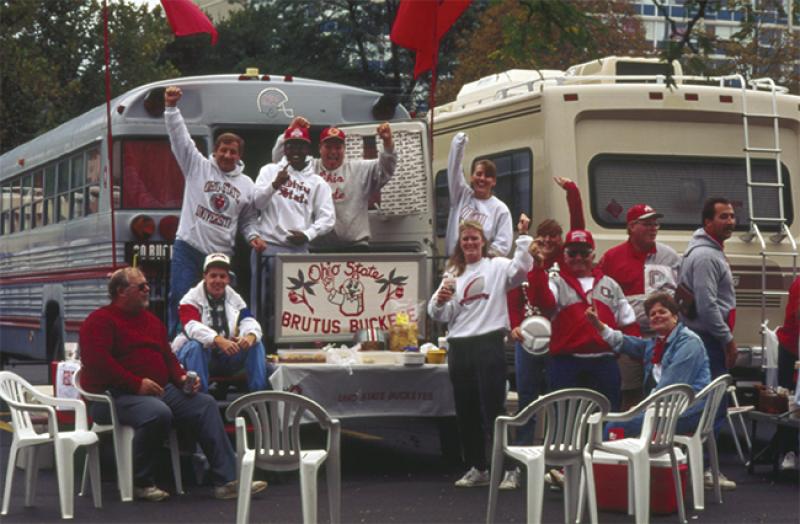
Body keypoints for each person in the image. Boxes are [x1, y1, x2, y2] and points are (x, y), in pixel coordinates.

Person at [79, 267, 266, 501]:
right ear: (121, 291)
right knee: (158, 412)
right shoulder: (99, 321)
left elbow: (168, 357)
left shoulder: (151, 321)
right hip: (112, 396)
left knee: (205, 404)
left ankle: (226, 480)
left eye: (147, 285)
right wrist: (136, 384)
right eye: (141, 287)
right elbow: (98, 364)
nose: (148, 290)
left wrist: (181, 378)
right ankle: (141, 482)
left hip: (157, 391)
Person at [428, 221, 533, 487]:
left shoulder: (496, 267)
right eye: (465, 240)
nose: (470, 243)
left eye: (474, 239)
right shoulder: (453, 271)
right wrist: (439, 300)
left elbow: (522, 271)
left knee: (494, 409)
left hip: (488, 343)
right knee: (466, 411)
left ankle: (511, 469)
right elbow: (443, 313)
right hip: (459, 347)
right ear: (460, 244)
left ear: (483, 242)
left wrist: (522, 237)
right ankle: (478, 467)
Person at [501, 177, 584, 490]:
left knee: (559, 402)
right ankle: (519, 466)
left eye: (554, 236)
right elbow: (511, 297)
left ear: (561, 240)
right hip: (527, 343)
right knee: (526, 402)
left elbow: (578, 224)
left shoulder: (565, 262)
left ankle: (556, 467)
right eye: (544, 236)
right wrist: (513, 326)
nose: (548, 241)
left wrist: (573, 194)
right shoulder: (524, 263)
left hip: (560, 343)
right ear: (537, 238)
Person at [164, 86, 257, 339]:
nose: (227, 155)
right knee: (181, 299)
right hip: (189, 247)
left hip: (220, 256)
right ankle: (178, 351)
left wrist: (252, 238)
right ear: (215, 151)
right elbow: (180, 140)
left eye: (233, 151)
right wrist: (171, 108)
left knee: (221, 307)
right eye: (223, 150)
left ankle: (220, 349)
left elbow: (247, 221)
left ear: (239, 155)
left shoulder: (247, 184)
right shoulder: (197, 166)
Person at [246, 125, 335, 335]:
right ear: (284, 148)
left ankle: (290, 347)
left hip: (297, 252)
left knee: (296, 307)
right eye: (291, 145)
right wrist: (274, 185)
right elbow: (256, 203)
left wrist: (308, 234)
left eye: (300, 146)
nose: (295, 150)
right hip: (267, 247)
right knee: (261, 301)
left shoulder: (317, 182)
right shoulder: (269, 170)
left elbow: (328, 217)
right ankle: (259, 346)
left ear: (308, 149)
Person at [586, 292, 711, 437]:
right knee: (612, 423)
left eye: (662, 312)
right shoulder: (655, 344)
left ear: (675, 317)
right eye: (652, 314)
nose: (657, 316)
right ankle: (631, 459)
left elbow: (671, 387)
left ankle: (616, 459)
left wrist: (641, 408)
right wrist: (598, 325)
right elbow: (623, 342)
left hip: (686, 412)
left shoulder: (689, 342)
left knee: (616, 427)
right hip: (662, 410)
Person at [539, 229, 637, 411]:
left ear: (593, 254)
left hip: (604, 364)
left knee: (606, 420)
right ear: (564, 255)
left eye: (584, 253)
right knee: (566, 422)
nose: (578, 258)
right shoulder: (555, 282)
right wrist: (538, 267)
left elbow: (629, 324)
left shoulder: (610, 284)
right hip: (566, 364)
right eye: (572, 252)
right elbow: (544, 302)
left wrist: (638, 355)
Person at [678, 196, 738, 489]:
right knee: (713, 403)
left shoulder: (708, 251)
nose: (730, 221)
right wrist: (727, 340)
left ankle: (700, 466)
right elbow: (707, 305)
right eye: (723, 217)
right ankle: (702, 468)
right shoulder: (705, 256)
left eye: (731, 216)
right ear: (707, 222)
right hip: (709, 339)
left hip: (706, 337)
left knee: (706, 401)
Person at [598, 204, 680, 409]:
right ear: (632, 226)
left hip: (663, 340)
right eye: (647, 224)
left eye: (655, 224)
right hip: (629, 341)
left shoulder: (670, 257)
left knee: (662, 393)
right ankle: (628, 436)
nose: (653, 228)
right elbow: (601, 298)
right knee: (630, 394)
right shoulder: (612, 258)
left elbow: (682, 293)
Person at [271, 116, 396, 249]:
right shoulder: (309, 167)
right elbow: (279, 160)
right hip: (317, 247)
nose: (333, 152)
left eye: (338, 147)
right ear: (320, 148)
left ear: (344, 149)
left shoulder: (360, 168)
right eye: (328, 147)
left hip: (355, 246)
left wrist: (388, 142)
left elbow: (386, 170)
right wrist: (291, 129)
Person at [172, 253, 268, 394]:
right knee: (195, 346)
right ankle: (201, 399)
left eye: (222, 276)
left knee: (256, 344)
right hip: (198, 356)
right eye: (213, 276)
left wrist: (250, 336)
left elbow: (248, 320)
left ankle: (259, 398)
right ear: (205, 276)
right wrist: (218, 340)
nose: (218, 280)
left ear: (228, 279)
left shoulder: (235, 298)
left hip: (225, 356)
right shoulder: (189, 299)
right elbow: (192, 327)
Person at [444, 132, 513, 257]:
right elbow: (454, 168)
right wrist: (459, 143)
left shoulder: (500, 209)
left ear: (494, 181)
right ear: (471, 177)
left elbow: (503, 245)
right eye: (479, 174)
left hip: (483, 267)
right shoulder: (461, 195)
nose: (482, 178)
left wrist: (478, 258)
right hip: (455, 266)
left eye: (488, 176)